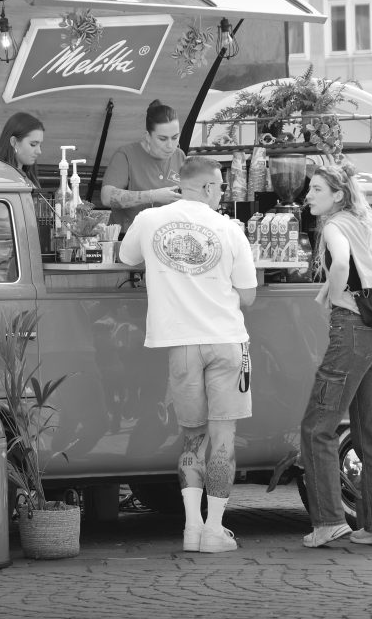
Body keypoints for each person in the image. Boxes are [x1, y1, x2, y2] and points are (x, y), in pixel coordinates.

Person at [118, 156, 256, 553]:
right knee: (223, 437)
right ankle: (216, 529)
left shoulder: (149, 220)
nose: (222, 194)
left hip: (179, 343)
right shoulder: (230, 230)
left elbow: (126, 259)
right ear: (209, 188)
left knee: (192, 438)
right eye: (221, 188)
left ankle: (192, 529)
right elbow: (247, 296)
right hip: (227, 340)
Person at [300, 160, 372, 548]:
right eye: (310, 189)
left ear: (338, 196)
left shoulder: (333, 225)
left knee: (316, 428)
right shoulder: (364, 224)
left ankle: (328, 521)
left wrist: (330, 293)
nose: (308, 195)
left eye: (317, 190)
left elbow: (341, 263)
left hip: (352, 332)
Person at [102, 99, 184, 233]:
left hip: (169, 239)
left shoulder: (180, 156)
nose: (170, 145)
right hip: (129, 238)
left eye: (175, 137)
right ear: (147, 136)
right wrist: (152, 196)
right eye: (162, 139)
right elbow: (107, 196)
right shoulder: (126, 155)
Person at [0, 112, 44, 187]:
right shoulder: (6, 181)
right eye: (33, 144)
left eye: (40, 145)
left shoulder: (26, 175)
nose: (39, 151)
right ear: (14, 142)